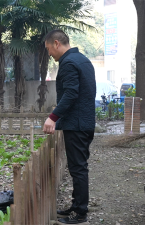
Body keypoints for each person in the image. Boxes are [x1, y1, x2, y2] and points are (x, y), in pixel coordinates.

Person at [42, 30, 96, 225]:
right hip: (84, 122)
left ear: (56, 43)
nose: (49, 54)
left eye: (49, 49)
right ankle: (75, 206)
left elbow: (71, 94)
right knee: (77, 168)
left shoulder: (69, 63)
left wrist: (52, 117)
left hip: (77, 124)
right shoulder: (82, 59)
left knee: (79, 169)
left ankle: (80, 214)